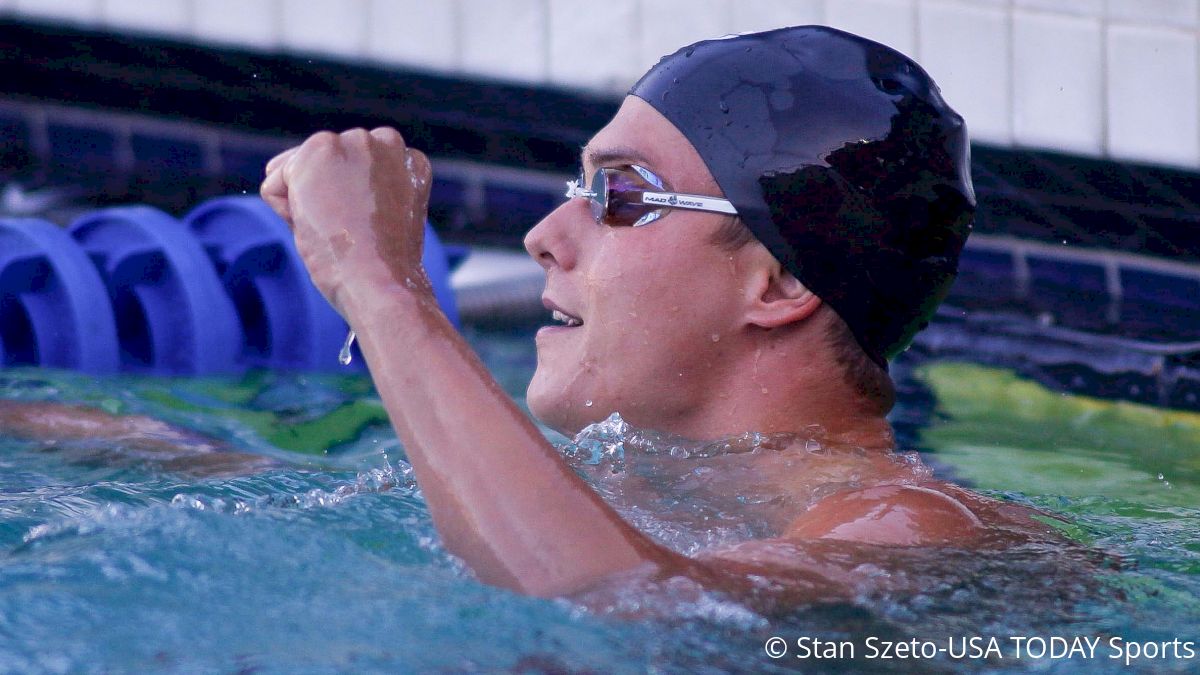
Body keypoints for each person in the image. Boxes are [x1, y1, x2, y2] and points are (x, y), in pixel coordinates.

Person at [256, 25, 1065, 609]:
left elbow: (609, 594)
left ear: (780, 280)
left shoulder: (913, 529)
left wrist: (383, 285)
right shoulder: (631, 482)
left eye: (619, 194)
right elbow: (297, 499)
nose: (542, 236)